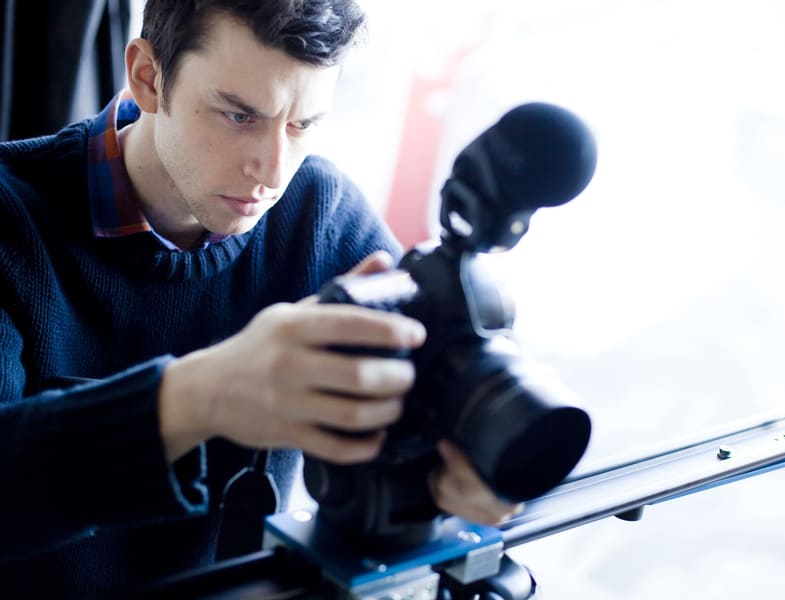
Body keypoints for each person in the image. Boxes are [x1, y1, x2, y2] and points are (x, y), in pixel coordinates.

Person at [0, 0, 520, 594]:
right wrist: (200, 395)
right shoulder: (10, 226)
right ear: (148, 76)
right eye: (239, 116)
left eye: (302, 124)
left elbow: (440, 381)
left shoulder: (321, 213)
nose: (273, 171)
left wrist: (467, 461)